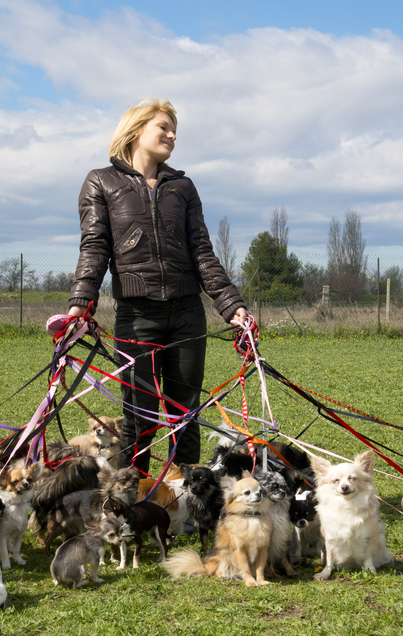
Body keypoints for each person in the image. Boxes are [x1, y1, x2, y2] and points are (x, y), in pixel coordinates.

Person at [66, 98, 249, 475]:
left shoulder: (182, 186)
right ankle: (135, 498)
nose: (172, 134)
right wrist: (79, 305)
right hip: (137, 317)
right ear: (135, 131)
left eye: (173, 129)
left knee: (186, 414)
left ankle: (185, 499)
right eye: (163, 127)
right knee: (140, 417)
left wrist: (233, 306)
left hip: (186, 314)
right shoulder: (100, 181)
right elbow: (95, 247)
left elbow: (202, 251)